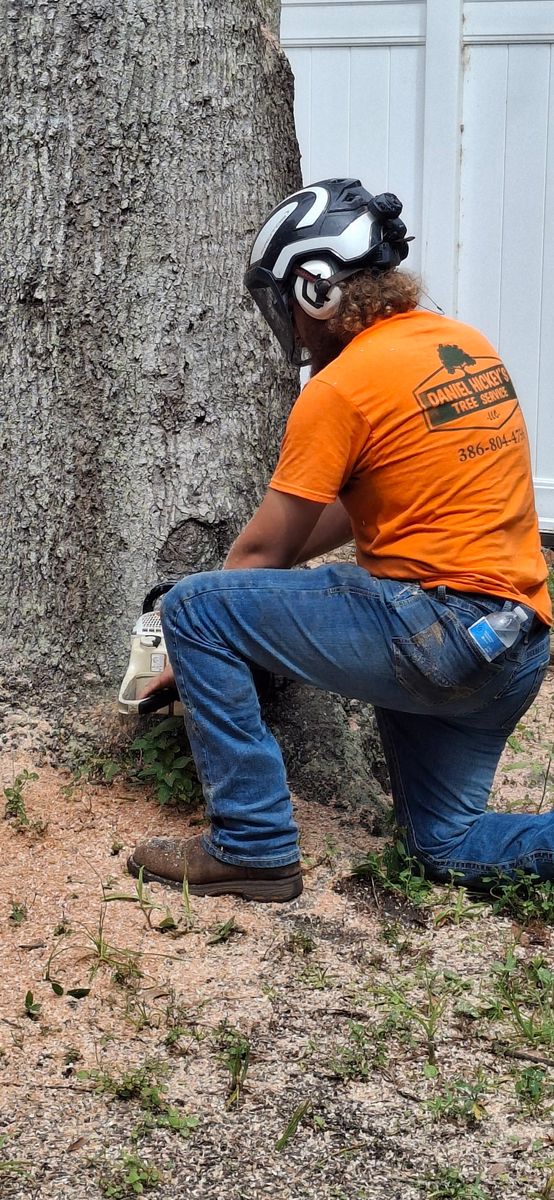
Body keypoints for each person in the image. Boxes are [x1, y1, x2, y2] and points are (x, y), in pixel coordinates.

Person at [128, 178, 552, 902]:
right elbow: (369, 510)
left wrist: (194, 644)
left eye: (283, 303)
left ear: (317, 289)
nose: (288, 325)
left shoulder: (343, 385)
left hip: (439, 633)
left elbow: (257, 559)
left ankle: (254, 845)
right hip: (517, 648)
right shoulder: (462, 345)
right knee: (445, 846)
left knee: (196, 607)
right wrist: (254, 608)